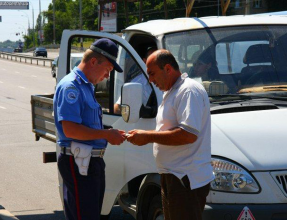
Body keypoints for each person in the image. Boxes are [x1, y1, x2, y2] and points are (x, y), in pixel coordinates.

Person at [127, 49, 214, 220]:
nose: (150, 80)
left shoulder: (188, 91)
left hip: (185, 179)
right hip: (175, 177)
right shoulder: (172, 91)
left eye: (152, 74)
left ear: (167, 68)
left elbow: (188, 135)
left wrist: (148, 136)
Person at [53, 38, 126, 220]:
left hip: (89, 161)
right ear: (94, 61)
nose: (108, 76)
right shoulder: (72, 87)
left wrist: (108, 132)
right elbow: (70, 130)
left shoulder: (86, 86)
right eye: (107, 69)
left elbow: (87, 124)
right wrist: (106, 135)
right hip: (78, 161)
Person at [113, 46, 157, 114]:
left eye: (159, 60)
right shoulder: (137, 82)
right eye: (153, 60)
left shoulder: (171, 80)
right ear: (145, 61)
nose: (157, 63)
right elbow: (117, 108)